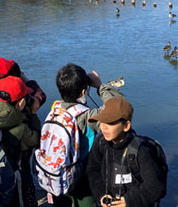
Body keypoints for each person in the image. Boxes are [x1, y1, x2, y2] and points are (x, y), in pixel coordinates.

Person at [46, 63, 123, 207]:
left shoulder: (55, 109)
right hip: (82, 180)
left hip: (57, 177)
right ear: (83, 92)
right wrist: (100, 86)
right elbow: (120, 107)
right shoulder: (87, 116)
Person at [86, 97, 165, 207]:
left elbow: (156, 187)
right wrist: (101, 195)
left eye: (110, 122)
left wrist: (129, 201)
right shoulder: (100, 143)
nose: (103, 127)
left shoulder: (140, 150)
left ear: (126, 126)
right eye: (102, 121)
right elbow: (93, 170)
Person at [0, 75, 41, 207]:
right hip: (13, 177)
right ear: (21, 103)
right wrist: (33, 114)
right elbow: (36, 139)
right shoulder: (20, 129)